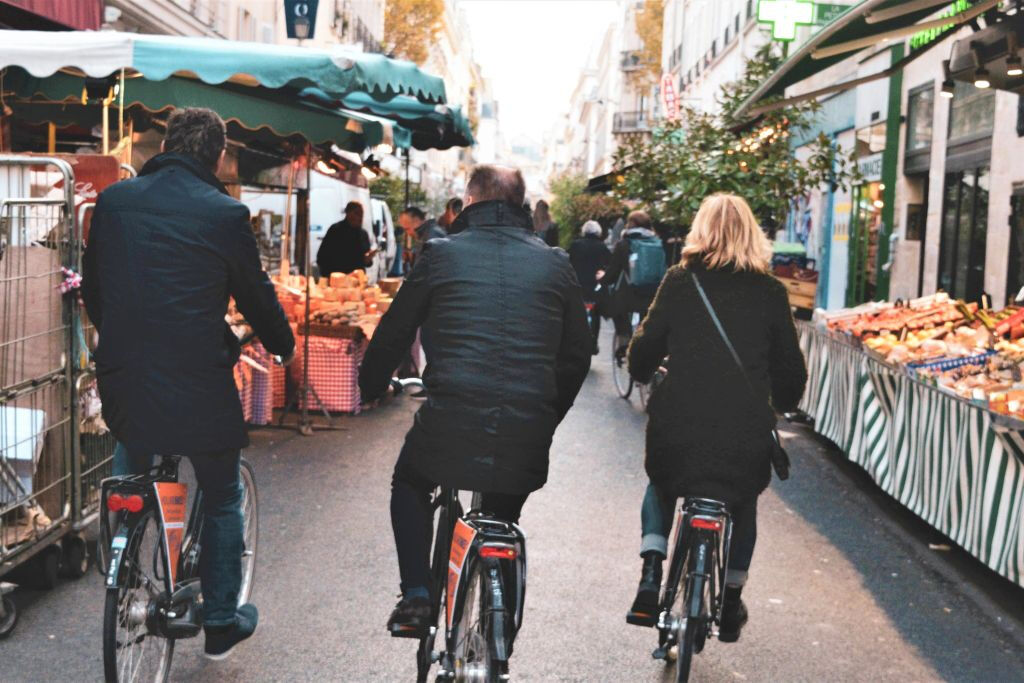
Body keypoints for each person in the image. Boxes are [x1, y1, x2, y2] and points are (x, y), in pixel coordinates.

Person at [81, 107, 295, 659]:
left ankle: (121, 557)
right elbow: (254, 294)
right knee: (223, 495)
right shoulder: (224, 214)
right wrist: (283, 343)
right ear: (218, 156)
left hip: (126, 375)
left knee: (133, 457)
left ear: (167, 142)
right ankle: (221, 621)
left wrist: (125, 339)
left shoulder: (115, 201)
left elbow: (94, 290)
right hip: (198, 381)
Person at [358, 165, 593, 635]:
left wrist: (370, 386)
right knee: (502, 512)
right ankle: (498, 622)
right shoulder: (555, 263)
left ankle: (417, 597)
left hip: (449, 422)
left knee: (410, 481)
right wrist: (547, 413)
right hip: (526, 432)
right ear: (522, 207)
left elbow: (394, 332)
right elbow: (577, 354)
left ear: (468, 203)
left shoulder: (441, 256)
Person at [624, 193, 807, 642]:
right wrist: (782, 402)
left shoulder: (680, 281)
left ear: (699, 231)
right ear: (752, 234)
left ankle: (651, 572)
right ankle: (731, 597)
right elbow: (790, 369)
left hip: (680, 422)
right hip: (743, 427)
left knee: (662, 481)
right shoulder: (769, 292)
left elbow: (644, 349)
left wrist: (642, 369)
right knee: (743, 499)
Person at [599, 210, 665, 354]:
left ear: (630, 224)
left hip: (630, 296)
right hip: (652, 293)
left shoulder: (624, 244)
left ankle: (624, 342)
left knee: (616, 309)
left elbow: (612, 273)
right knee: (647, 321)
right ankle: (646, 345)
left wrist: (602, 278)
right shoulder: (658, 243)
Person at [568, 220, 611, 354]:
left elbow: (567, 262)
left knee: (574, 315)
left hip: (577, 286)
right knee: (596, 314)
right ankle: (593, 343)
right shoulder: (602, 246)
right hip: (594, 287)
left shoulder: (576, 245)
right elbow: (610, 264)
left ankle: (574, 343)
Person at [316, 201, 373, 277]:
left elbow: (367, 261)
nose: (360, 217)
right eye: (357, 214)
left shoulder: (363, 234)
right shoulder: (335, 230)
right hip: (337, 279)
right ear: (348, 214)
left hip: (357, 280)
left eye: (362, 214)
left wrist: (368, 260)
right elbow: (322, 257)